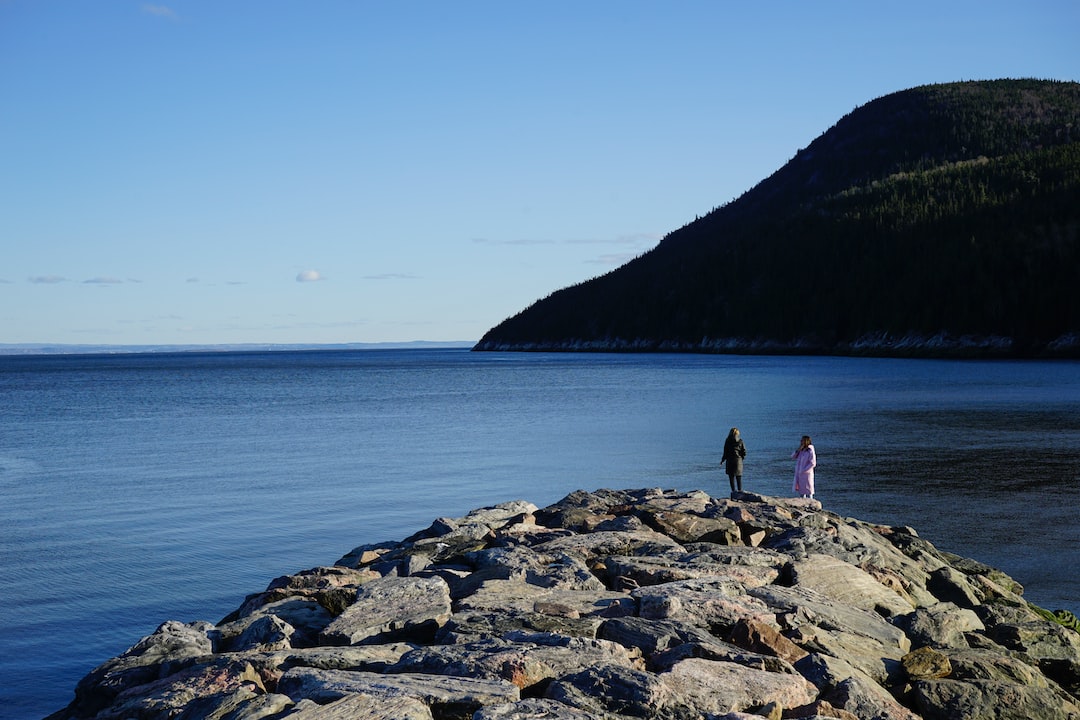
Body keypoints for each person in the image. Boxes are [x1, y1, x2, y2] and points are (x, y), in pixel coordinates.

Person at [721, 427, 747, 494]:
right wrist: (741, 458)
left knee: (731, 479)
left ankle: (733, 493)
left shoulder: (727, 441)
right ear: (737, 433)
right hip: (738, 461)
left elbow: (725, 452)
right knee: (739, 478)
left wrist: (722, 460)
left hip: (730, 461)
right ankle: (740, 493)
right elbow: (744, 452)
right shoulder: (740, 441)